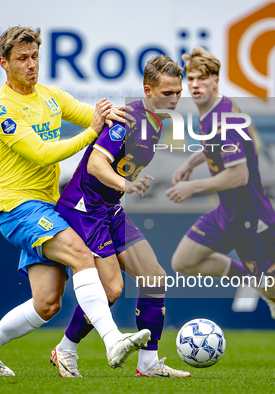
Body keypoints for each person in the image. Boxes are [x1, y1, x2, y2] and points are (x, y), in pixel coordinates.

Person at [0, 26, 150, 377]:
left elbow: (89, 114)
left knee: (47, 304)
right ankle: (113, 342)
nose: (31, 65)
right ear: (4, 63)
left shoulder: (50, 96)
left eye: (35, 57)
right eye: (22, 59)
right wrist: (92, 132)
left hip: (48, 209)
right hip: (18, 208)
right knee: (81, 255)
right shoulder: (0, 110)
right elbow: (43, 154)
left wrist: (121, 116)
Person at [166, 47, 275, 366]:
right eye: (190, 78)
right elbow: (214, 148)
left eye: (201, 78)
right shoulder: (211, 113)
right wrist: (192, 162)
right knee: (183, 261)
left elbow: (238, 175)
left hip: (252, 222)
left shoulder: (225, 118)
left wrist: (193, 186)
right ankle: (251, 281)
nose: (194, 85)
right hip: (227, 215)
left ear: (216, 81)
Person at [49, 55, 190, 378]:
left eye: (178, 93)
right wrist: (125, 184)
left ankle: (148, 363)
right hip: (85, 210)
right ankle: (65, 350)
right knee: (111, 289)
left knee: (155, 278)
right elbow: (97, 165)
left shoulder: (158, 122)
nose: (174, 99)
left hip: (110, 210)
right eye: (167, 92)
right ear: (147, 90)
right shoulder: (129, 120)